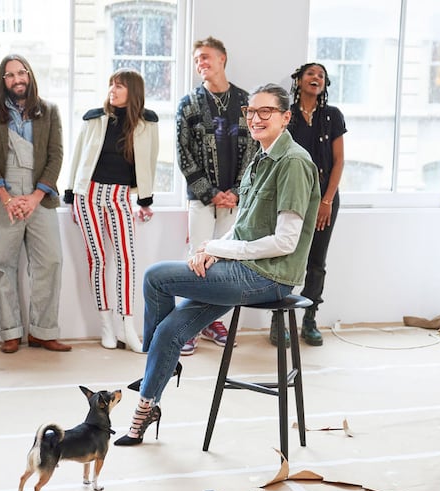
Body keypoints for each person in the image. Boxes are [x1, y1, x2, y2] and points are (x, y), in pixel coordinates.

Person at [114, 84, 320, 446]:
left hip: (269, 277)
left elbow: (285, 242)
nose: (255, 118)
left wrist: (221, 251)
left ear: (286, 117)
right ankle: (148, 405)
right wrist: (213, 248)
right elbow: (243, 229)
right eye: (250, 112)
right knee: (169, 332)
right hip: (242, 271)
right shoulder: (260, 156)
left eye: (265, 112)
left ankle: (156, 366)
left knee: (155, 277)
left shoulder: (293, 163)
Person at [0, 54, 71, 354]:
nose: (17, 79)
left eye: (22, 73)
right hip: (2, 194)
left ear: (29, 75)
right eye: (10, 75)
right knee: (4, 265)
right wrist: (6, 198)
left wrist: (34, 197)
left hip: (39, 193)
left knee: (51, 261)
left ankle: (43, 331)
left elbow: (56, 155)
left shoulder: (50, 111)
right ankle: (11, 332)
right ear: (2, 81)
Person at [65, 68, 159, 353]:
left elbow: (149, 161)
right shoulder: (94, 119)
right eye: (111, 85)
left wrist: (145, 200)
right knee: (99, 259)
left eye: (119, 86)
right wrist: (70, 193)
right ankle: (106, 324)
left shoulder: (147, 123)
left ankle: (127, 326)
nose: (113, 90)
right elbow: (78, 156)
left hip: (120, 197)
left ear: (133, 91)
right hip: (89, 195)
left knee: (127, 259)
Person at [176, 36, 259, 355]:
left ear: (223, 59)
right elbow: (183, 154)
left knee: (224, 261)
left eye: (206, 57)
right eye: (197, 59)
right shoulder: (189, 103)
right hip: (201, 198)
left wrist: (237, 192)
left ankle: (212, 321)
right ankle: (188, 326)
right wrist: (210, 193)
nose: (201, 63)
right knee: (196, 259)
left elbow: (255, 148)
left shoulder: (245, 101)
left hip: (235, 199)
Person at [286, 62, 346, 347]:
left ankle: (309, 319)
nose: (316, 78)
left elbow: (339, 161)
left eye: (321, 75)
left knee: (316, 262)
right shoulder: (287, 116)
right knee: (286, 257)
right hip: (292, 197)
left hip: (325, 197)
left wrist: (326, 201)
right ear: (298, 80)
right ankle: (280, 319)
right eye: (311, 73)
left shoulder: (332, 116)